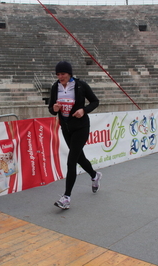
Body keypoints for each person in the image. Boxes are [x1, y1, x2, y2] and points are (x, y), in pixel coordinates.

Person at [48, 61, 102, 210]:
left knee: (71, 160)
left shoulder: (80, 85)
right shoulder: (55, 87)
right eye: (58, 74)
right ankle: (94, 175)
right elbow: (51, 109)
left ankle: (66, 197)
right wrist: (54, 108)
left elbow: (95, 101)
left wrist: (83, 110)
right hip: (66, 128)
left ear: (69, 73)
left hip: (81, 127)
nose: (60, 77)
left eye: (63, 74)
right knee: (79, 157)